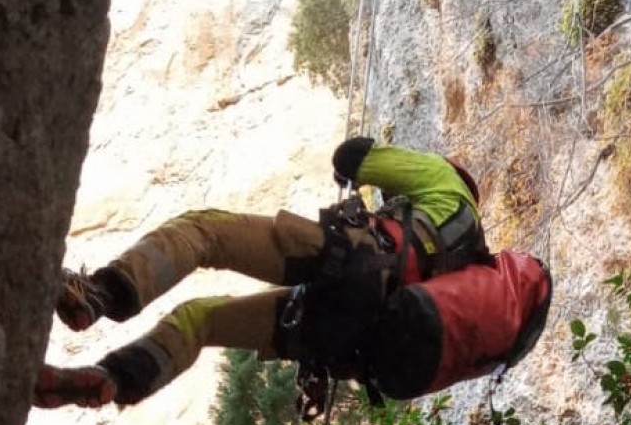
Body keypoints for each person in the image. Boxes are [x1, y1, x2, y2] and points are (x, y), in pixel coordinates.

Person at [32, 137, 489, 410]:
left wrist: (360, 172)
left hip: (352, 260)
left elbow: (353, 155)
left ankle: (100, 296)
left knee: (204, 232)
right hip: (346, 336)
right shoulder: (467, 267)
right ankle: (112, 380)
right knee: (203, 321)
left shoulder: (443, 179)